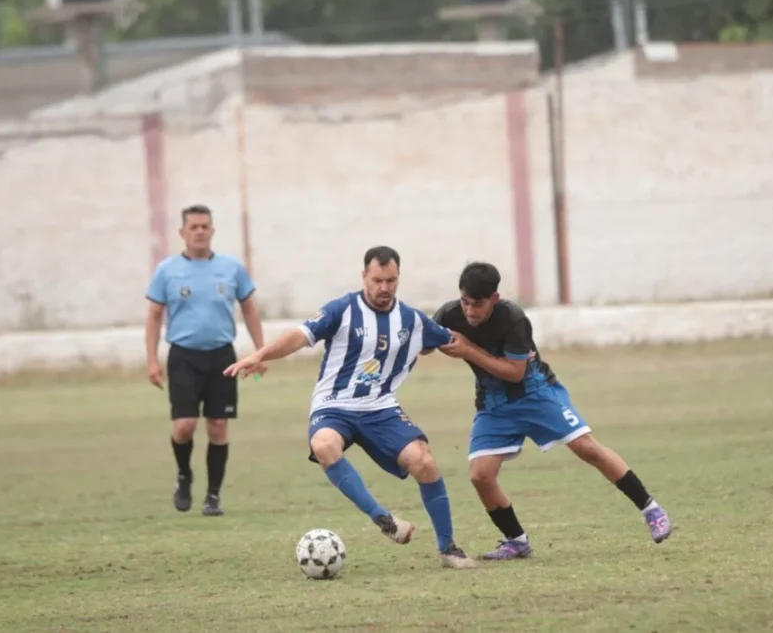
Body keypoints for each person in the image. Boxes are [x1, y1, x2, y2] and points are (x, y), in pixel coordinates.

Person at [224, 246, 476, 569]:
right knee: (324, 444)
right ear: (364, 277)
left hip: (381, 408)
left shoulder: (412, 320)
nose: (384, 288)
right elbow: (300, 337)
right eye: (377, 280)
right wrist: (260, 355)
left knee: (424, 461)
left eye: (391, 281)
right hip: (334, 406)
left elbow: (453, 342)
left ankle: (449, 548)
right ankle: (383, 519)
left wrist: (491, 358)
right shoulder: (342, 310)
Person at [431, 262, 672, 561]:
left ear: (494, 298)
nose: (469, 312)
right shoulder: (450, 313)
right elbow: (424, 342)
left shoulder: (513, 318)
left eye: (477, 305)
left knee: (588, 449)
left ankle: (651, 509)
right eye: (465, 303)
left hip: (535, 392)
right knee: (481, 475)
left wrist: (468, 350)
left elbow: (515, 373)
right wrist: (425, 340)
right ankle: (516, 541)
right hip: (493, 403)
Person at [146, 204, 265, 516]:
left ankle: (213, 496)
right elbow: (154, 316)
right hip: (183, 356)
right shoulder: (167, 270)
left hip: (222, 356)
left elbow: (250, 309)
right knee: (185, 426)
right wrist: (152, 361)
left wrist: (259, 352)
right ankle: (184, 474)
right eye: (193, 227)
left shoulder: (231, 268)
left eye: (204, 226)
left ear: (212, 231)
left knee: (218, 426)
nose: (199, 232)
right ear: (182, 233)